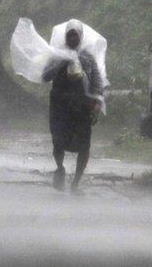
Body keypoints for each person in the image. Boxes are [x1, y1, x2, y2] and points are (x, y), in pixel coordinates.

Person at [40, 20, 105, 192]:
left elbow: (97, 82)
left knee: (84, 144)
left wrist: (97, 102)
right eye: (69, 34)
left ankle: (76, 182)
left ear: (80, 36)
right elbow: (45, 76)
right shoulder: (57, 55)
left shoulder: (87, 58)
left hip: (82, 107)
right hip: (60, 106)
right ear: (65, 37)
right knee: (58, 140)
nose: (72, 38)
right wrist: (61, 63)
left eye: (75, 34)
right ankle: (60, 168)